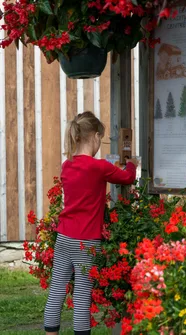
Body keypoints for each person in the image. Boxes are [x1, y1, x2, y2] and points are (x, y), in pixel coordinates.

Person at [44, 111, 137, 335]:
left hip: (64, 237)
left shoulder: (67, 166)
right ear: (95, 137)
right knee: (83, 294)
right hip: (86, 242)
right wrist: (131, 163)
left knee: (56, 290)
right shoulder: (99, 167)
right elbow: (127, 178)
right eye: (101, 139)